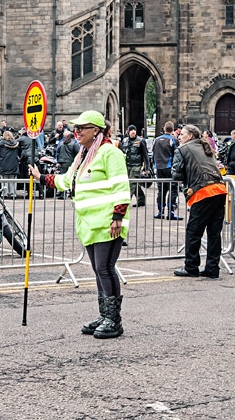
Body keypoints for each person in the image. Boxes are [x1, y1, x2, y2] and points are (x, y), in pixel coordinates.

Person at [29, 110, 130, 339]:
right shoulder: (84, 154)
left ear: (96, 130)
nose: (76, 132)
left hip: (107, 222)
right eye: (75, 128)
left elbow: (121, 187)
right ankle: (105, 315)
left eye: (81, 128)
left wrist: (117, 217)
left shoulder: (109, 153)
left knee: (105, 268)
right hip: (89, 222)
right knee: (97, 269)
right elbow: (66, 180)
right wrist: (40, 177)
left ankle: (114, 320)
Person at [172, 124, 227, 279]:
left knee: (193, 232)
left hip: (203, 192)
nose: (179, 136)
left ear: (190, 136)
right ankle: (212, 268)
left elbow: (176, 174)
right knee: (214, 233)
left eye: (182, 134)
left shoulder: (182, 149)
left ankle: (191, 267)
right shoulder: (206, 147)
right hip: (220, 189)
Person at [152, 121, 182, 219]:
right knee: (173, 190)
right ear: (172, 130)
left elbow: (153, 153)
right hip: (169, 167)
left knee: (161, 190)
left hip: (159, 167)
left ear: (164, 129)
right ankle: (171, 212)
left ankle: (161, 212)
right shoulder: (173, 140)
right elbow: (177, 154)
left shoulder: (156, 140)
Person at [120, 124, 150, 207]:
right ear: (128, 132)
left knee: (132, 183)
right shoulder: (125, 141)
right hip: (127, 165)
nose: (133, 132)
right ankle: (141, 199)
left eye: (134, 130)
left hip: (136, 165)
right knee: (134, 183)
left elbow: (145, 155)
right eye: (131, 130)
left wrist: (147, 168)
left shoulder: (140, 141)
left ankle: (125, 202)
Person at [55, 130, 80, 198]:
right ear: (72, 138)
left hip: (62, 163)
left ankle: (63, 194)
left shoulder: (61, 143)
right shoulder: (74, 144)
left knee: (63, 178)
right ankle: (72, 194)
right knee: (72, 179)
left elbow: (57, 152)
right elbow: (78, 154)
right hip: (71, 163)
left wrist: (58, 161)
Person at [0, 130, 20, 197]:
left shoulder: (0, 144)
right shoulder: (16, 143)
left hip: (3, 163)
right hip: (14, 163)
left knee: (4, 179)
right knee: (13, 179)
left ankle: (5, 193)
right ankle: (13, 193)